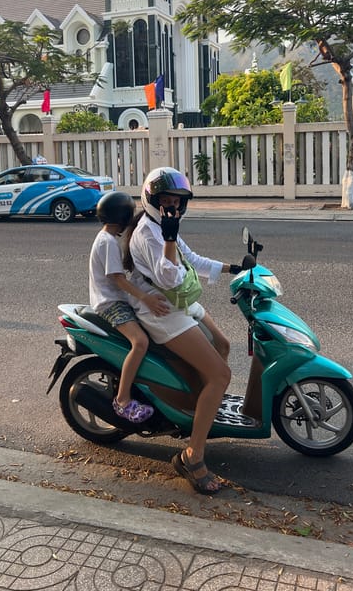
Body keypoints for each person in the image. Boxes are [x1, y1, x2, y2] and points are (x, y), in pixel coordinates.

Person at [125, 167, 240, 494]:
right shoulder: (150, 233)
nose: (173, 207)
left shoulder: (163, 227)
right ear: (153, 201)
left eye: (178, 202)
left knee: (223, 343)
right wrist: (170, 237)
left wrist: (235, 268)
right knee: (220, 375)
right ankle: (193, 455)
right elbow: (170, 277)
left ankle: (201, 411)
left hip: (177, 304)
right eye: (167, 202)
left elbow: (191, 260)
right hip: (161, 312)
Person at [89, 191, 170, 423]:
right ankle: (122, 399)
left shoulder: (107, 238)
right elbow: (118, 279)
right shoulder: (108, 242)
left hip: (115, 299)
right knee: (140, 341)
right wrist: (147, 298)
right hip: (110, 304)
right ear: (123, 217)